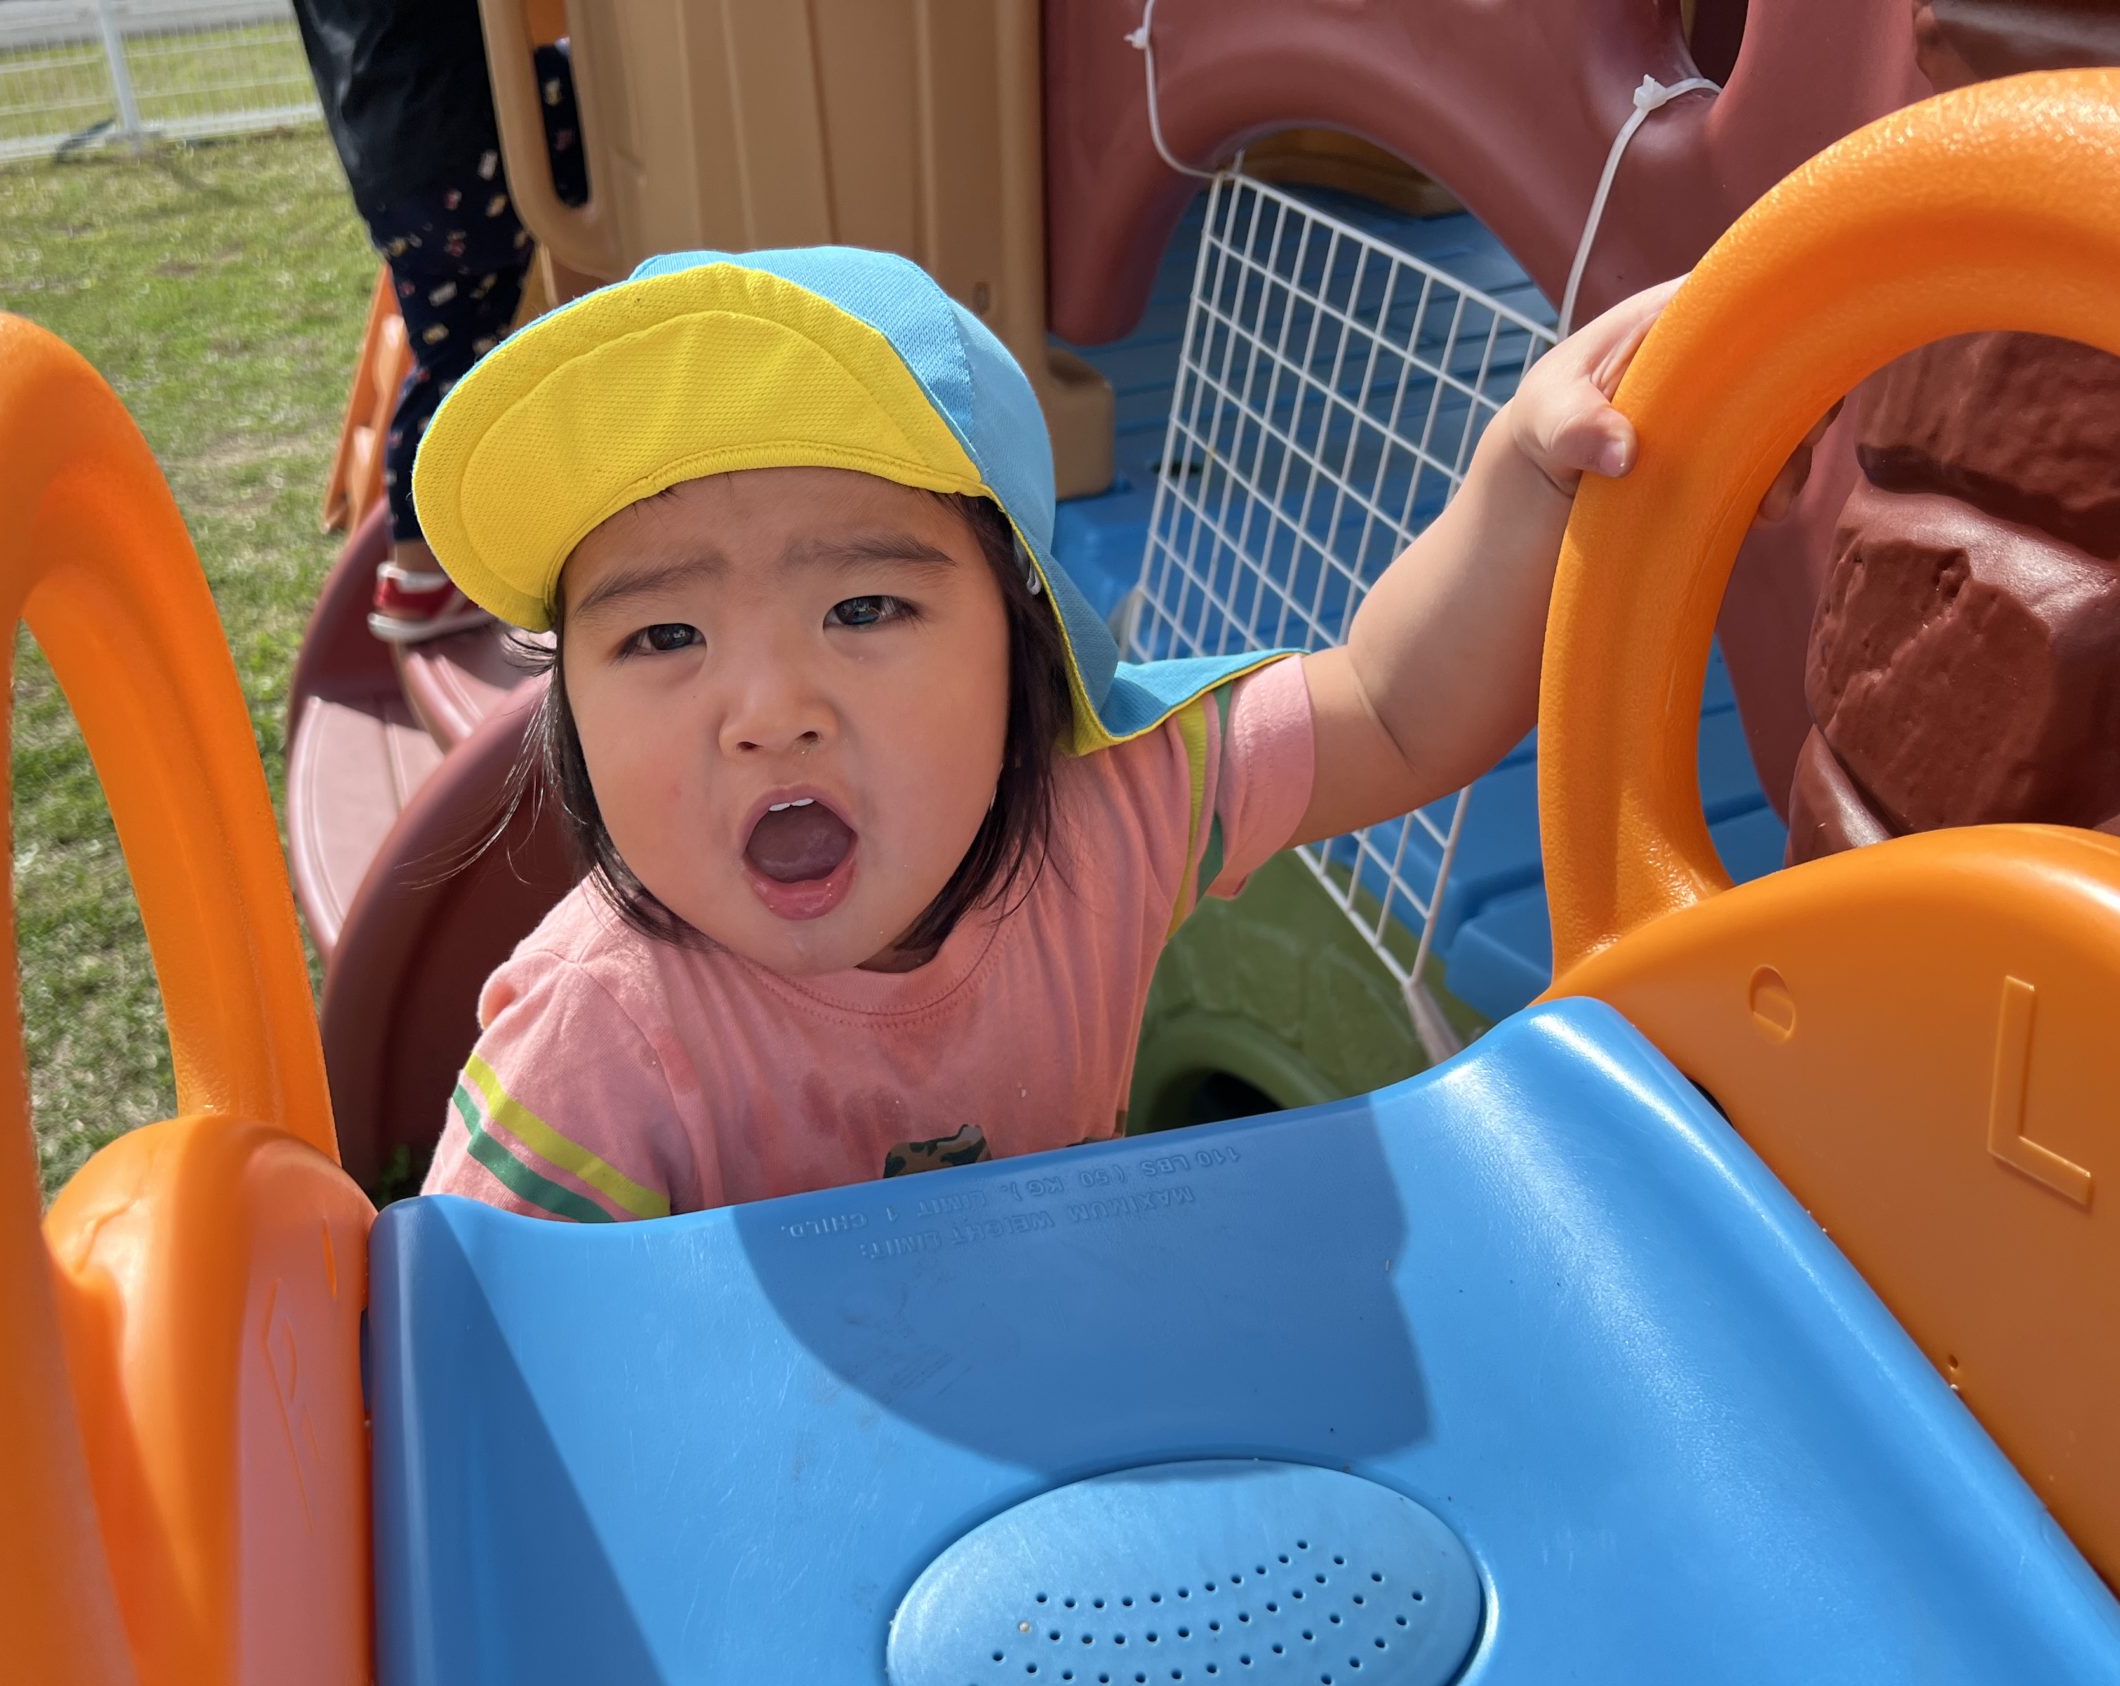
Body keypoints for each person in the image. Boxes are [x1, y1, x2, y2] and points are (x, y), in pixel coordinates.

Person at [405, 246, 1820, 1221]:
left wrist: (1519, 474)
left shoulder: (1112, 811)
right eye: (663, 638)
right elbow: (485, 1389)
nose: (770, 713)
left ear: (1026, 640)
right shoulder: (598, 1043)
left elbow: (1395, 712)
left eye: (865, 607)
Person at [288, 0, 583, 644]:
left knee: (447, 360)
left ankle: (414, 576)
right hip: (462, 146)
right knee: (592, 84)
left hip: (388, 173)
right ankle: (431, 570)